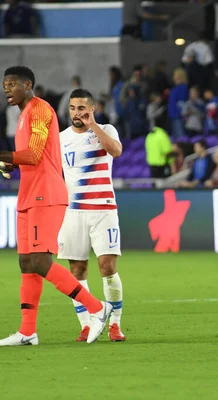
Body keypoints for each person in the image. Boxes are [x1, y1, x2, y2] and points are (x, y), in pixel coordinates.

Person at [0, 66, 112, 346]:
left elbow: (35, 154)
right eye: (5, 85)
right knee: (26, 262)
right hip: (28, 193)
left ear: (28, 85)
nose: (7, 90)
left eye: (12, 84)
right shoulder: (22, 115)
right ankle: (28, 331)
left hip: (45, 194)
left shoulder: (39, 109)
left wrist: (11, 156)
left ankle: (97, 308)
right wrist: (10, 162)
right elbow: (26, 157)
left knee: (40, 261)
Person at [58, 88, 126, 342]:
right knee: (77, 270)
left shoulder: (106, 130)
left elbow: (116, 151)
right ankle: (86, 324)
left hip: (103, 209)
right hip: (73, 211)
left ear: (92, 109)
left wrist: (92, 126)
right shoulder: (61, 138)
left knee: (107, 266)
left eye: (82, 108)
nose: (77, 113)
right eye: (73, 109)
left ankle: (115, 325)